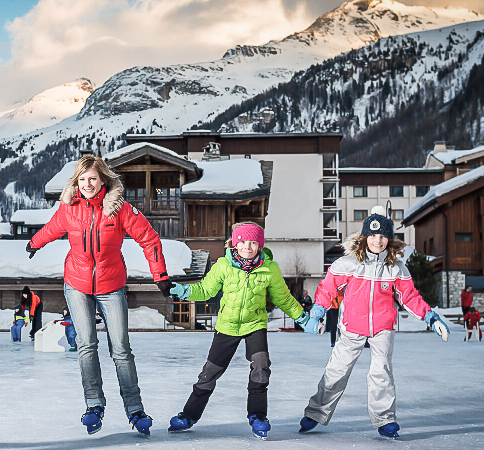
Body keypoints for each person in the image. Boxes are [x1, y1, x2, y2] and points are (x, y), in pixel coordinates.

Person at [26, 154, 172, 436]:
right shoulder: (69, 209)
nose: (87, 184)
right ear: (76, 182)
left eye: (92, 178)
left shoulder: (120, 209)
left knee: (120, 349)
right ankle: (94, 404)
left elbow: (149, 238)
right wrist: (35, 243)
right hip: (77, 283)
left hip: (111, 283)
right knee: (86, 345)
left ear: (103, 179)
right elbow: (52, 228)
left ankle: (135, 409)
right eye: (82, 179)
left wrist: (160, 275)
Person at [298, 206, 451, 439]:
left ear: (388, 239)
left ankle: (385, 419)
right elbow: (328, 289)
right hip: (351, 327)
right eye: (373, 235)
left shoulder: (396, 268)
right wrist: (318, 311)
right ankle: (316, 413)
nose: (377, 240)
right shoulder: (348, 264)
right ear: (365, 237)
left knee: (381, 372)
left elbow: (409, 297)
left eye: (382, 236)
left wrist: (431, 317)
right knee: (336, 371)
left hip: (383, 328)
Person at [167, 222, 311, 440]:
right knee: (210, 372)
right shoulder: (224, 265)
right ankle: (189, 415)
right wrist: (183, 290)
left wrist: (301, 316)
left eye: (253, 242)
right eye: (243, 241)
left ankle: (257, 416)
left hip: (255, 325)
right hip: (227, 325)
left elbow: (283, 298)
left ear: (260, 245)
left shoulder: (269, 268)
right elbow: (206, 289)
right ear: (235, 244)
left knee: (261, 368)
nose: (247, 246)